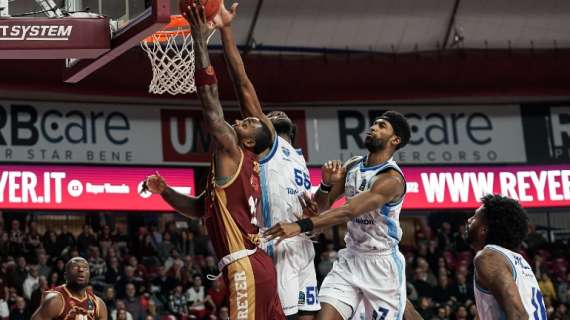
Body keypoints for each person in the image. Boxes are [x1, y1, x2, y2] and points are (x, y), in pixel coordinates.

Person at [142, 1, 284, 319]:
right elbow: (198, 209)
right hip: (260, 264)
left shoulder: (233, 150)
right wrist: (164, 190)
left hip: (243, 263)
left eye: (248, 123)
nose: (242, 120)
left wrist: (197, 36)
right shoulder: (244, 168)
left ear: (248, 141)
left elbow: (210, 103)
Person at [211, 2, 319, 318]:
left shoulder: (299, 159)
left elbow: (317, 207)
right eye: (267, 115)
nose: (273, 114)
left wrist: (322, 197)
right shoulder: (267, 143)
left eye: (274, 115)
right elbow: (242, 82)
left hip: (303, 249)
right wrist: (226, 30)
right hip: (275, 247)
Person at [265, 111, 411, 320]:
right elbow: (321, 206)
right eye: (374, 124)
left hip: (382, 266)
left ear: (395, 140)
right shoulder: (353, 165)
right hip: (351, 258)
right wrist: (326, 184)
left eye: (381, 126)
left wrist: (299, 226)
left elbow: (348, 211)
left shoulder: (391, 179)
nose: (373, 128)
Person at [466, 194, 546, 320]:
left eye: (475, 217)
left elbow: (518, 315)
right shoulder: (518, 261)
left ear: (484, 229)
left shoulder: (487, 257)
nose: (469, 220)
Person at [31, 257, 108, 320]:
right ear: (65, 276)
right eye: (75, 267)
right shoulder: (55, 300)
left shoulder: (98, 304)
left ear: (89, 275)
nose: (81, 270)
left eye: (85, 268)